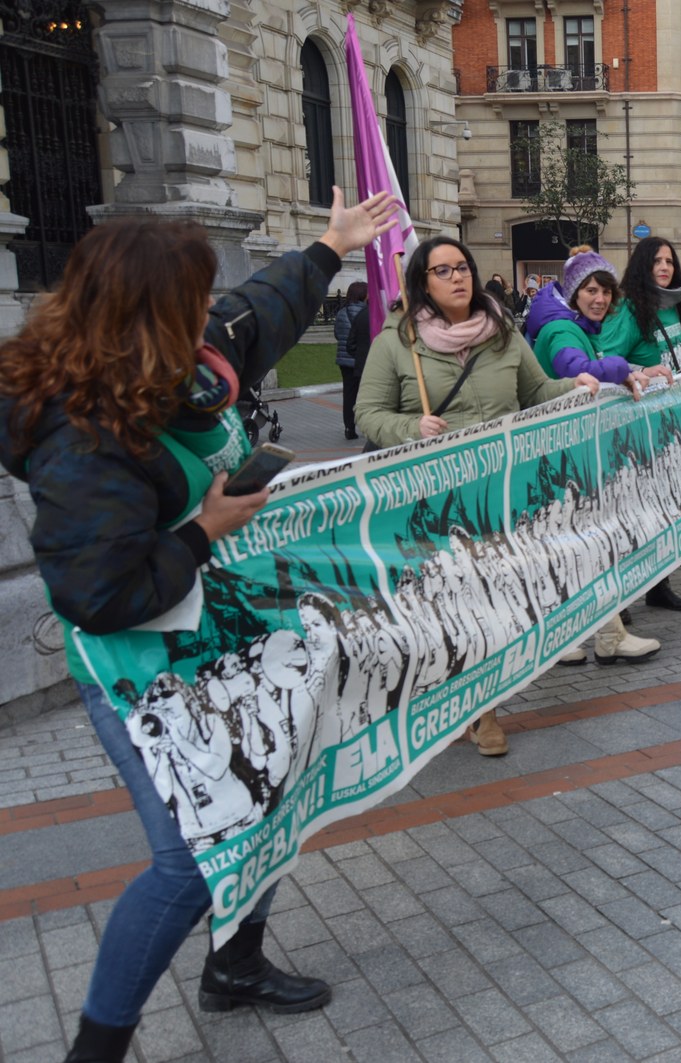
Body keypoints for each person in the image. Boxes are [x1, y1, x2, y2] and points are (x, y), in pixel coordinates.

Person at [0, 189, 401, 1062]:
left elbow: (256, 313)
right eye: (189, 301)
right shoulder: (82, 434)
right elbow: (95, 594)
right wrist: (202, 530)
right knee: (189, 855)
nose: (206, 317)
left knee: (268, 795)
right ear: (145, 317)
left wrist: (331, 247)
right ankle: (96, 1050)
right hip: (141, 663)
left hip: (219, 636)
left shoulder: (188, 361)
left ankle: (237, 965)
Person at [357, 235, 596, 754]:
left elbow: (536, 394)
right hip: (431, 500)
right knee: (445, 606)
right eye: (442, 271)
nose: (457, 277)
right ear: (422, 281)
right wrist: (410, 427)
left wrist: (575, 383)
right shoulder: (397, 342)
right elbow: (367, 414)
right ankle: (444, 698)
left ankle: (482, 707)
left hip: (500, 497)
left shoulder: (503, 333)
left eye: (462, 267)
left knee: (494, 601)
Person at [524, 247, 662, 665]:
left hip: (573, 453)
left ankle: (604, 634)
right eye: (590, 290)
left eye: (605, 291)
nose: (600, 298)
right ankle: (572, 637)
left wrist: (632, 370)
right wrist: (621, 368)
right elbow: (574, 367)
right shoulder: (560, 330)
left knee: (587, 545)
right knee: (573, 546)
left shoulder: (575, 325)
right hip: (557, 456)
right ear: (572, 292)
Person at [600, 236, 681, 611]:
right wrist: (642, 370)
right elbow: (606, 360)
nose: (665, 267)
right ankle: (619, 601)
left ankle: (659, 585)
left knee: (665, 508)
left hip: (672, 425)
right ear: (643, 266)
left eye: (669, 261)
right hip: (635, 427)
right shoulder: (628, 310)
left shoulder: (679, 306)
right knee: (632, 511)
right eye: (657, 261)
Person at [332, 282, 368, 440]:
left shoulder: (341, 313)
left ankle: (349, 428)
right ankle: (368, 427)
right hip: (363, 360)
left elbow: (337, 334)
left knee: (349, 395)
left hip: (344, 360)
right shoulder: (367, 313)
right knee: (367, 395)